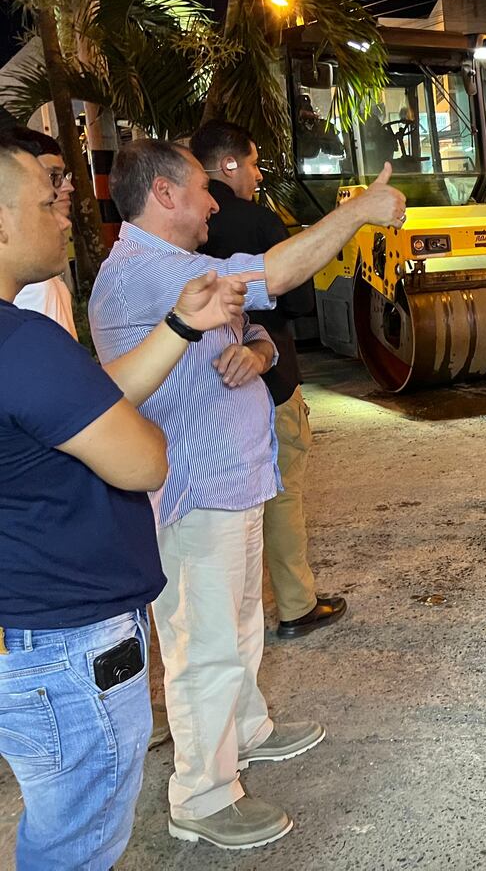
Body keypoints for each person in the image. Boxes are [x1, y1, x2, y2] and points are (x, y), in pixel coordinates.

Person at [89, 139, 404, 850]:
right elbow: (275, 273)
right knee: (203, 644)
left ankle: (249, 728)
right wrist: (357, 212)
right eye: (202, 189)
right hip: (192, 488)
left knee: (236, 624)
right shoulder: (144, 272)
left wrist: (258, 354)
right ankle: (201, 793)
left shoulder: (180, 269)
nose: (212, 203)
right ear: (163, 195)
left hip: (229, 479)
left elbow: (254, 326)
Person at [0, 137, 254, 869]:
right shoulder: (23, 345)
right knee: (77, 845)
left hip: (26, 632)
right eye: (45, 195)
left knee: (58, 827)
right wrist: (120, 421)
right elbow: (144, 458)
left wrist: (178, 327)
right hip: (68, 647)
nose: (64, 211)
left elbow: (86, 408)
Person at [191, 121, 348, 640]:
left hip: (201, 386)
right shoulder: (256, 221)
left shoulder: (168, 239)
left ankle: (228, 617)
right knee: (281, 492)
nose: (258, 175)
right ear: (228, 164)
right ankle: (296, 605)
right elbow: (297, 298)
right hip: (270, 379)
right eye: (254, 163)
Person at [4, 126, 76, 336]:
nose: (67, 187)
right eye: (53, 176)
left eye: (63, 175)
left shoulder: (38, 266)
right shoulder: (28, 276)